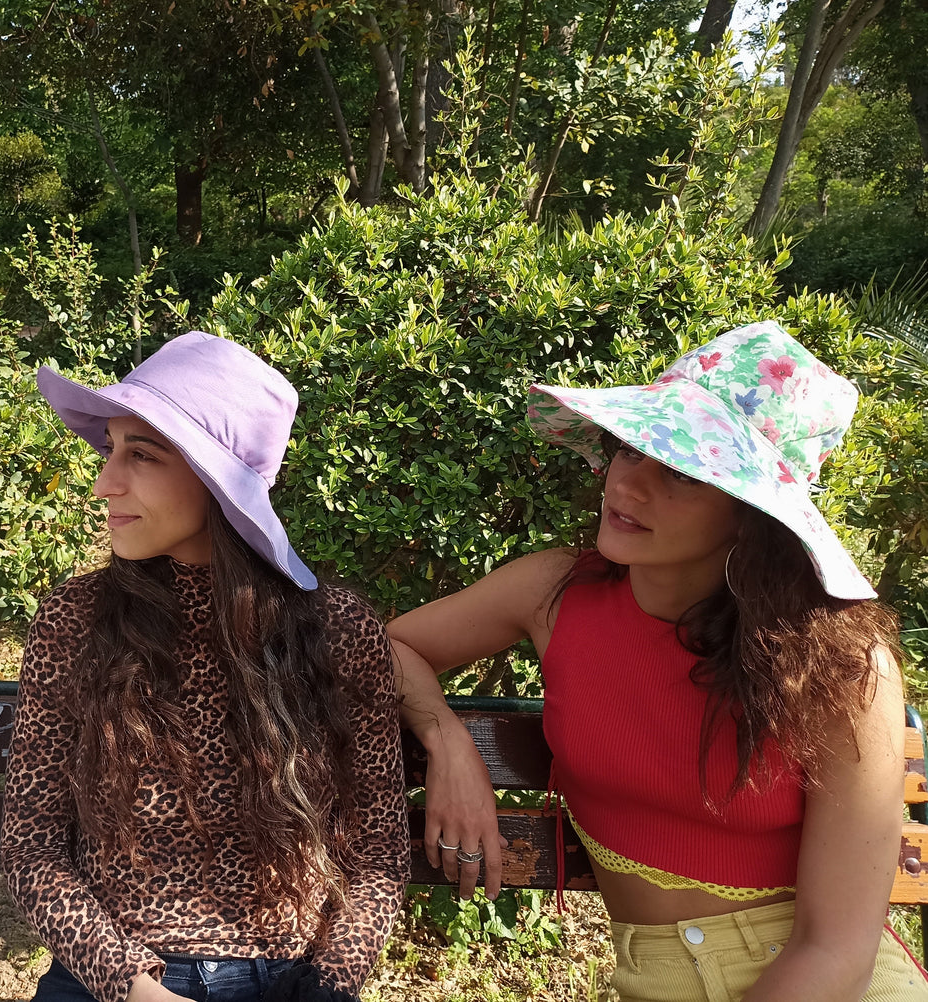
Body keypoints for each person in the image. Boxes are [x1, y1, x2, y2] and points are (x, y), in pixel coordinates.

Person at [389, 320, 927, 1002]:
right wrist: (444, 739)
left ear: (749, 514)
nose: (629, 485)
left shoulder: (842, 666)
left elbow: (835, 950)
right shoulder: (553, 592)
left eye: (680, 472)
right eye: (629, 450)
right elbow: (382, 647)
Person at [1, 332, 409, 1002]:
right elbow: (31, 848)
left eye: (141, 454)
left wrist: (331, 986)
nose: (104, 482)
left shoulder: (333, 629)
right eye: (109, 449)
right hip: (112, 980)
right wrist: (131, 985)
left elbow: (379, 857)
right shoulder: (75, 621)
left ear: (213, 479)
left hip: (292, 982)